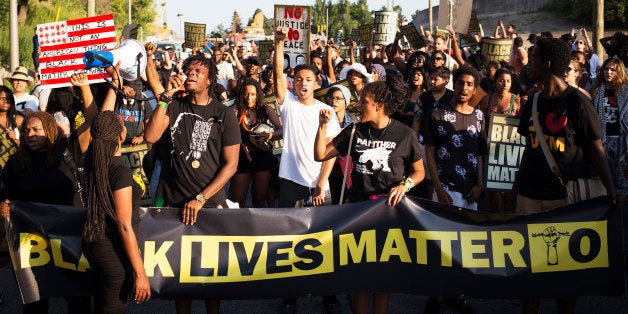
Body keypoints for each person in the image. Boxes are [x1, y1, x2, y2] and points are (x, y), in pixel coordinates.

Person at [516, 37, 619, 314]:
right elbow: (528, 144)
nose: (530, 63)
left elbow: (596, 150)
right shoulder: (534, 102)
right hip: (529, 196)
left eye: (534, 58)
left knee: (565, 271)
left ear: (547, 64)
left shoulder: (577, 102)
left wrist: (610, 191)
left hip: (565, 199)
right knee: (529, 268)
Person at [314, 72, 424, 314]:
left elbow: (419, 172)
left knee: (383, 278)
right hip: (358, 212)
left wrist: (404, 185)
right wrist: (322, 127)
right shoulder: (354, 131)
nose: (357, 105)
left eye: (363, 101)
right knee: (360, 276)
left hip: (388, 214)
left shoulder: (405, 135)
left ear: (379, 105)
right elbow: (321, 154)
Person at [143, 42, 241, 314]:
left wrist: (200, 199)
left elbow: (231, 165)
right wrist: (165, 96)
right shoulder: (173, 104)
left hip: (208, 206)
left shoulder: (223, 114)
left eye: (198, 71)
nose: (191, 74)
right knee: (179, 276)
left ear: (210, 80)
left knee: (210, 276)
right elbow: (151, 137)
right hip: (174, 202)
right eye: (188, 70)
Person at [0, 72, 97, 314]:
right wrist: (4, 206)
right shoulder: (15, 162)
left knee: (77, 300)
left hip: (69, 238)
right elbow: (7, 197)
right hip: (33, 242)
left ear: (51, 131)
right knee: (34, 301)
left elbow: (93, 124)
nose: (31, 134)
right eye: (28, 131)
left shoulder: (68, 151)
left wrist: (85, 89)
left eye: (37, 130)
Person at [273, 26, 341, 313]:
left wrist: (320, 184)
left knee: (324, 238)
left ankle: (327, 292)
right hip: (290, 180)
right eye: (298, 79)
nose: (302, 83)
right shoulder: (287, 104)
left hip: (318, 185)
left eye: (308, 79)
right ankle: (291, 293)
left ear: (316, 83)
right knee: (290, 239)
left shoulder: (326, 111)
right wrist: (278, 43)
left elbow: (331, 153)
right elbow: (277, 73)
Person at [81, 110, 151, 313]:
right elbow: (124, 225)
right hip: (113, 252)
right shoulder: (119, 171)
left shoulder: (93, 162)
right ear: (122, 135)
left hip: (94, 243)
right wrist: (140, 274)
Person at [424, 66, 487, 211]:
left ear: (475, 90)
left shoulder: (479, 116)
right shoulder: (436, 114)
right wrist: (439, 189)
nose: (464, 88)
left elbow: (479, 154)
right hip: (446, 190)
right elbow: (429, 153)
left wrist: (479, 185)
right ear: (454, 84)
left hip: (471, 192)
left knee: (468, 233)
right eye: (460, 83)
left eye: (469, 84)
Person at [230, 79, 282, 208]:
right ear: (241, 95)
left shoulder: (265, 109)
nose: (249, 97)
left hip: (262, 157)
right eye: (246, 94)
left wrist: (270, 135)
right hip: (241, 158)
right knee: (237, 202)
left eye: (253, 94)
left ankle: (258, 227)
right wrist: (241, 144)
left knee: (259, 199)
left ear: (258, 95)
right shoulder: (234, 110)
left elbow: (282, 129)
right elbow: (224, 133)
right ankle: (238, 227)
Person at [478, 68, 520, 214]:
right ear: (495, 82)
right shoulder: (486, 99)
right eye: (501, 80)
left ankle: (508, 220)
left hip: (510, 150)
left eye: (508, 81)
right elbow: (480, 123)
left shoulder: (517, 100)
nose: (505, 84)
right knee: (493, 191)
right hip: (490, 149)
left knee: (510, 193)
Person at [590, 57, 628, 196]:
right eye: (607, 69)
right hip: (602, 140)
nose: (609, 72)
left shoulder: (625, 92)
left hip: (621, 141)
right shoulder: (596, 90)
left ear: (620, 72)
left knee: (621, 180)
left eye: (613, 70)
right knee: (602, 180)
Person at [325, 84, 355, 205]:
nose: (334, 101)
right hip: (328, 169)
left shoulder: (353, 122)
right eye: (331, 98)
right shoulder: (323, 121)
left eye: (338, 98)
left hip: (347, 169)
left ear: (346, 102)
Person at [0, 85, 23, 172]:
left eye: (8, 98)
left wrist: (16, 140)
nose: (6, 101)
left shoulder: (18, 120)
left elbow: (30, 146)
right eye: (2, 98)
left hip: (18, 167)